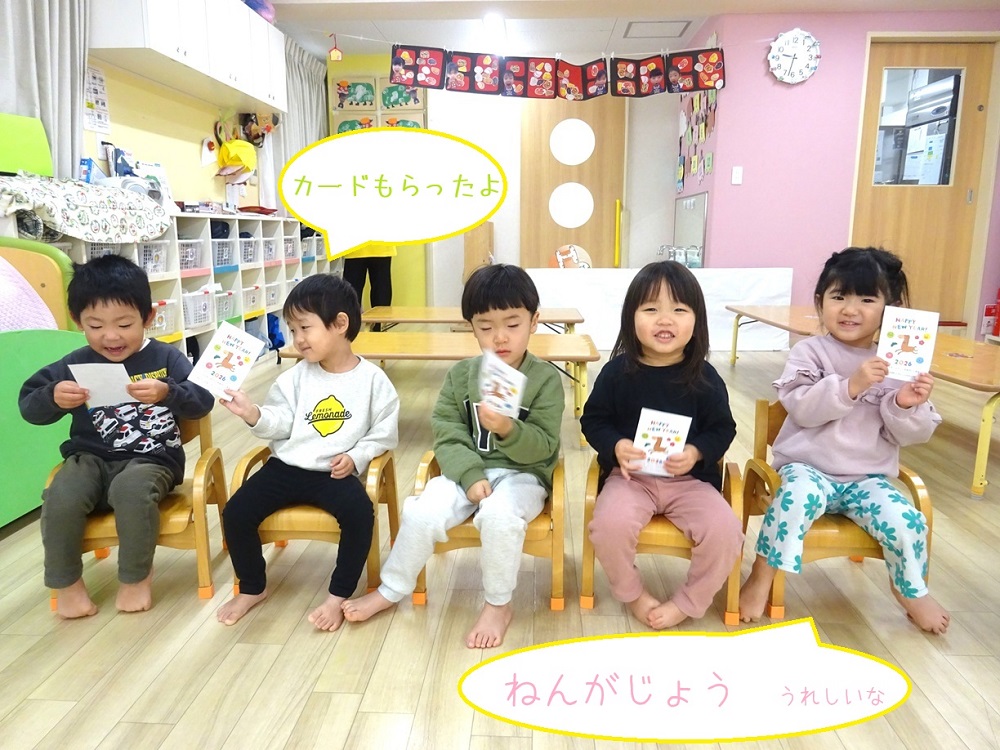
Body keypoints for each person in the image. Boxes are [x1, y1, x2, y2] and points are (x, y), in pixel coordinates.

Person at [343, 264, 564, 648]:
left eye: (513, 324)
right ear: (470, 327)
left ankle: (498, 604)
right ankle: (391, 589)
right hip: (465, 473)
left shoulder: (545, 379)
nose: (500, 337)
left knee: (498, 517)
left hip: (524, 477)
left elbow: (545, 446)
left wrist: (508, 428)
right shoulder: (461, 376)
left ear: (534, 322)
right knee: (420, 511)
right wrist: (470, 475)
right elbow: (447, 434)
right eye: (485, 326)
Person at [739, 247, 949, 634]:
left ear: (890, 309)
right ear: (821, 302)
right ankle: (761, 574)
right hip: (808, 468)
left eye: (866, 299)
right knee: (793, 501)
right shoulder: (810, 351)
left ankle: (910, 589)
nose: (850, 309)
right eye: (838, 297)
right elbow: (802, 409)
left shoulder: (900, 363)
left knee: (908, 521)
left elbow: (913, 435)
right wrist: (851, 385)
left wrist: (905, 403)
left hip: (868, 478)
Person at [18, 254, 215, 618]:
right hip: (88, 459)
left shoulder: (166, 358)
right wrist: (53, 397)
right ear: (78, 320)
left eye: (125, 324)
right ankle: (67, 584)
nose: (110, 336)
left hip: (151, 459)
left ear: (148, 317)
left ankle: (135, 578)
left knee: (131, 491)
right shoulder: (74, 363)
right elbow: (29, 407)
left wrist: (168, 392)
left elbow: (202, 401)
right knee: (60, 495)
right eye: (95, 325)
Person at [216, 274, 399, 631]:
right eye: (292, 329)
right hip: (285, 467)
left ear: (340, 324)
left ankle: (337, 596)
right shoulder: (294, 377)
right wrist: (253, 414)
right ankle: (252, 587)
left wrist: (357, 456)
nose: (297, 338)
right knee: (236, 512)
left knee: (360, 515)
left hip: (334, 473)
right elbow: (280, 422)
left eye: (305, 328)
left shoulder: (373, 381)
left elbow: (384, 432)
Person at [581, 261, 743, 629]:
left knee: (726, 531)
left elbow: (723, 428)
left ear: (697, 321)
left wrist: (696, 452)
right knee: (607, 526)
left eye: (679, 310)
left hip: (690, 483)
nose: (665, 320)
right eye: (651, 309)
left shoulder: (705, 378)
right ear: (631, 317)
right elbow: (593, 420)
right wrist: (616, 445)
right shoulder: (616, 373)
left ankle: (690, 601)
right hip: (631, 479)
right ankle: (633, 594)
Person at [342, 244, 395, 330]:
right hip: (378, 247)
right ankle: (379, 329)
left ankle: (350, 330)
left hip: (357, 247)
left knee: (351, 293)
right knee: (380, 292)